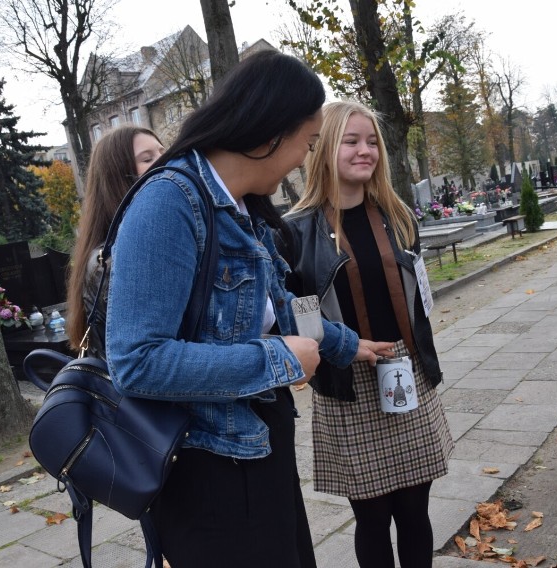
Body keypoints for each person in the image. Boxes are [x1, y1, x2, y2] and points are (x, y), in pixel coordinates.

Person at [104, 52, 392, 568]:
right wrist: (277, 361)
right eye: (307, 142)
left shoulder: (240, 206)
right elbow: (136, 361)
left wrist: (348, 344)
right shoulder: (167, 203)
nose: (307, 158)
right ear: (270, 133)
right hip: (209, 469)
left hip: (257, 442)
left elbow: (280, 308)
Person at [282, 101, 454, 568]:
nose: (366, 151)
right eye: (351, 141)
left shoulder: (397, 216)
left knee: (415, 512)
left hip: (405, 372)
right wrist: (339, 348)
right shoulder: (295, 233)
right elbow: (299, 316)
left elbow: (418, 297)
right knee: (373, 519)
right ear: (324, 149)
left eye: (372, 141)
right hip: (348, 384)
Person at [66, 125, 165, 358]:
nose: (166, 161)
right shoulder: (111, 262)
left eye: (163, 151)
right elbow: (148, 356)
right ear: (118, 179)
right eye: (148, 159)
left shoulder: (154, 240)